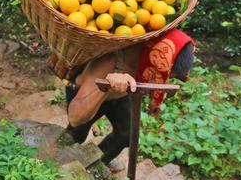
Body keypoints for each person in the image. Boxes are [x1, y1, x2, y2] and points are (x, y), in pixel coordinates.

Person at [64, 28, 195, 166]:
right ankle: (59, 163)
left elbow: (157, 76)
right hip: (89, 97)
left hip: (120, 97)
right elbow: (75, 118)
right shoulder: (112, 60)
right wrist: (107, 85)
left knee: (127, 135)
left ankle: (96, 164)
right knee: (76, 135)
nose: (163, 79)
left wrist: (154, 101)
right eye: (165, 75)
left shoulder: (150, 56)